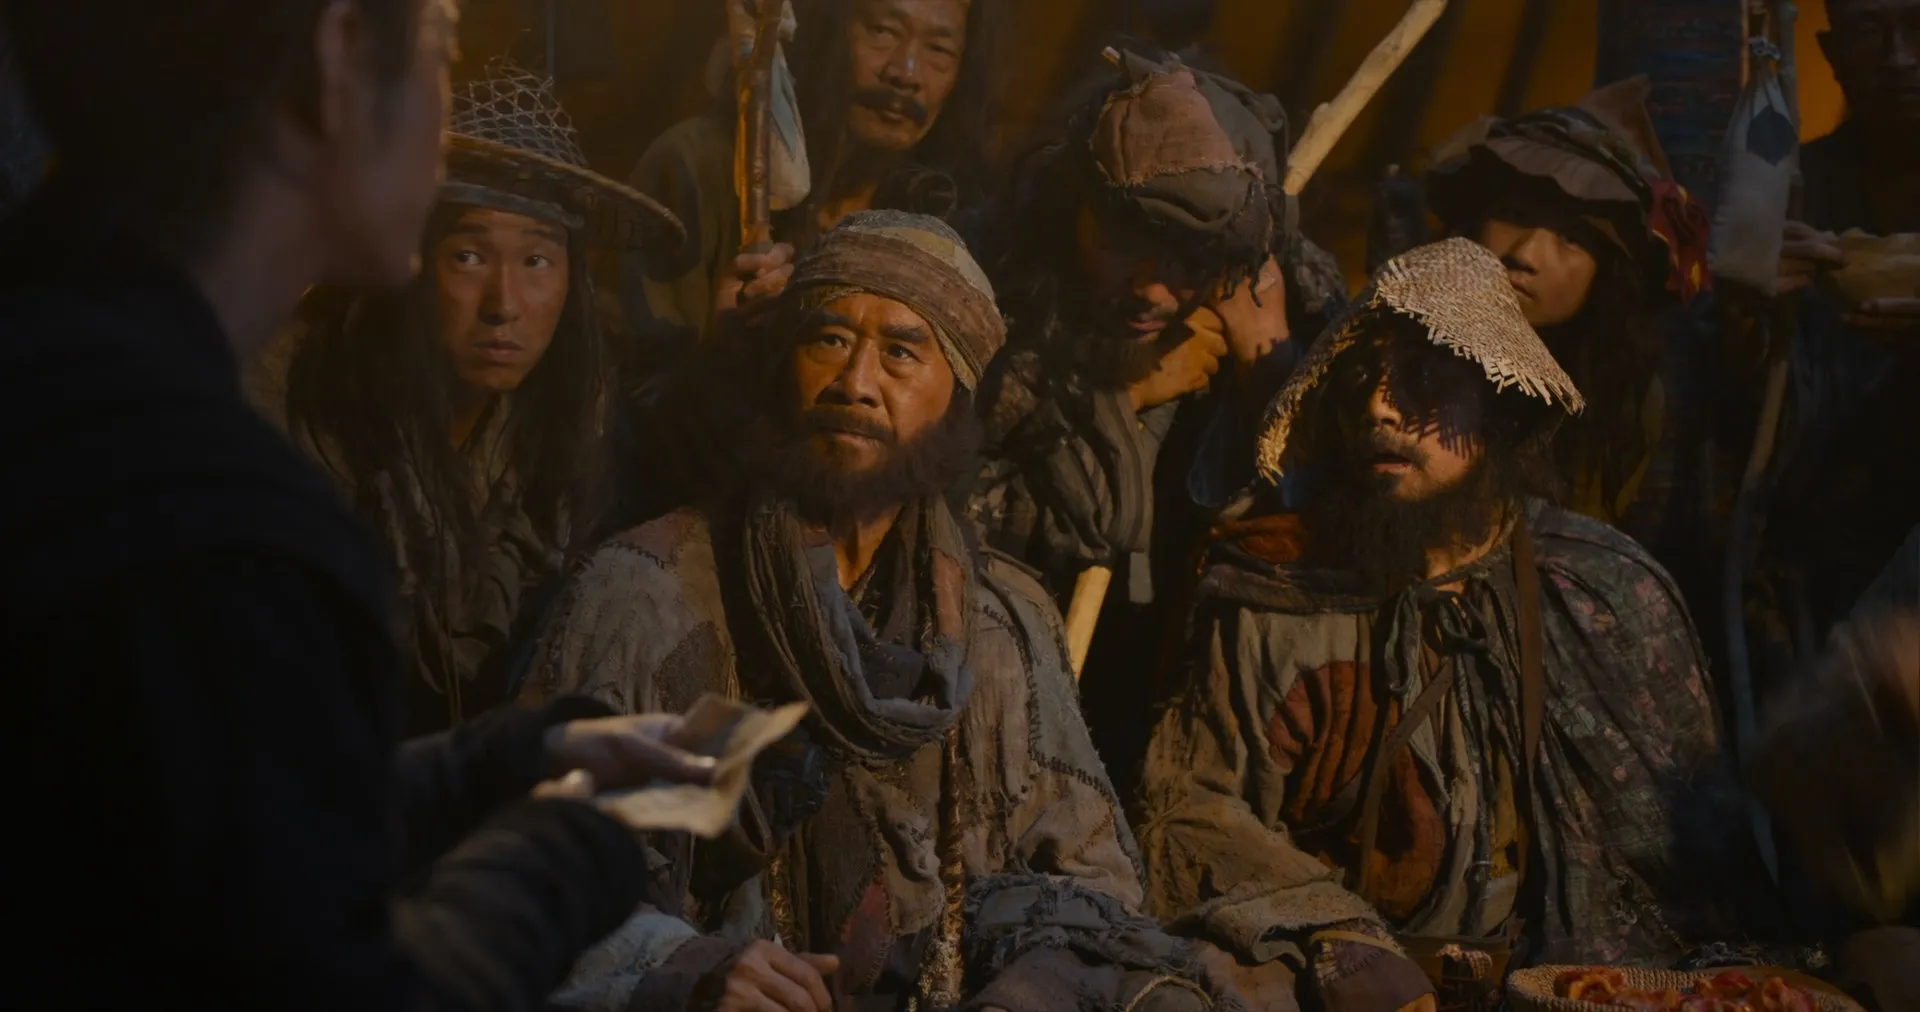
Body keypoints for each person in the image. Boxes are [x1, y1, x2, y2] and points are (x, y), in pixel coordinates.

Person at [0, 1, 719, 1007]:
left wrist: (505, 759)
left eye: (538, 258)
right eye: (440, 49)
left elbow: (211, 825)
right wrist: (576, 844)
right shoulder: (220, 515)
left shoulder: (64, 371)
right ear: (340, 58)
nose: (443, 113)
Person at [520, 211, 1234, 1012]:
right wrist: (690, 969)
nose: (855, 383)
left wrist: (1029, 991)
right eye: (828, 340)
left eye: (900, 352)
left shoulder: (1001, 621)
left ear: (955, 395)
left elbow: (1093, 887)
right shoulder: (648, 595)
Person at [1137, 240, 1767, 1011]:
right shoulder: (1276, 595)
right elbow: (1191, 811)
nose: (1379, 407)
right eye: (1362, 380)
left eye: (1425, 379)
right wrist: (1333, 932)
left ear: (1500, 404)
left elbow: (1690, 863)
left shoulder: (1600, 589)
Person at [966, 46, 1347, 797]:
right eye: (1120, 243)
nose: (1151, 288)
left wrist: (1269, 369)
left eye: (1188, 260)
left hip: (1171, 705)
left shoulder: (1290, 312)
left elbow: (1331, 525)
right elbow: (951, 493)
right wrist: (1114, 395)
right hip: (1001, 685)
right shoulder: (996, 287)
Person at [263, 59, 683, 735]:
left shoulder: (576, 418)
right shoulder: (295, 393)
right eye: (468, 256)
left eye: (537, 261)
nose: (503, 304)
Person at [1424, 77, 1711, 532]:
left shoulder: (1619, 398)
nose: (1525, 255)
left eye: (1571, 238)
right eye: (1515, 216)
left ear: (1607, 274)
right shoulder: (1396, 351)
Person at [629, 0, 1001, 343]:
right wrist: (720, 347)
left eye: (939, 49)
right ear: (824, 31)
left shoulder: (951, 213)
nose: (906, 73)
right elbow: (633, 379)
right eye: (883, 31)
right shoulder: (697, 166)